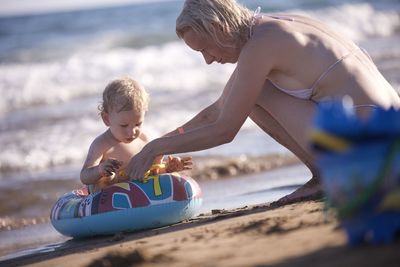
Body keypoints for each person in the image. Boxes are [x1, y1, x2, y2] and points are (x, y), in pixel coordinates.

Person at [125, 0, 400, 204]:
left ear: (218, 27)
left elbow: (225, 129)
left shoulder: (261, 46)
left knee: (257, 93)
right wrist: (156, 148)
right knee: (248, 95)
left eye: (204, 48)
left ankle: (328, 176)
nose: (208, 59)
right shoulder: (271, 28)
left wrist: (157, 147)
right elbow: (218, 110)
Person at [80, 77, 192, 193]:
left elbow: (154, 172)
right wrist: (99, 170)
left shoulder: (145, 140)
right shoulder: (101, 144)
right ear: (107, 119)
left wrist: (168, 168)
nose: (132, 132)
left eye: (138, 124)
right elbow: (84, 176)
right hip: (109, 198)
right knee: (108, 179)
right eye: (124, 125)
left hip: (139, 196)